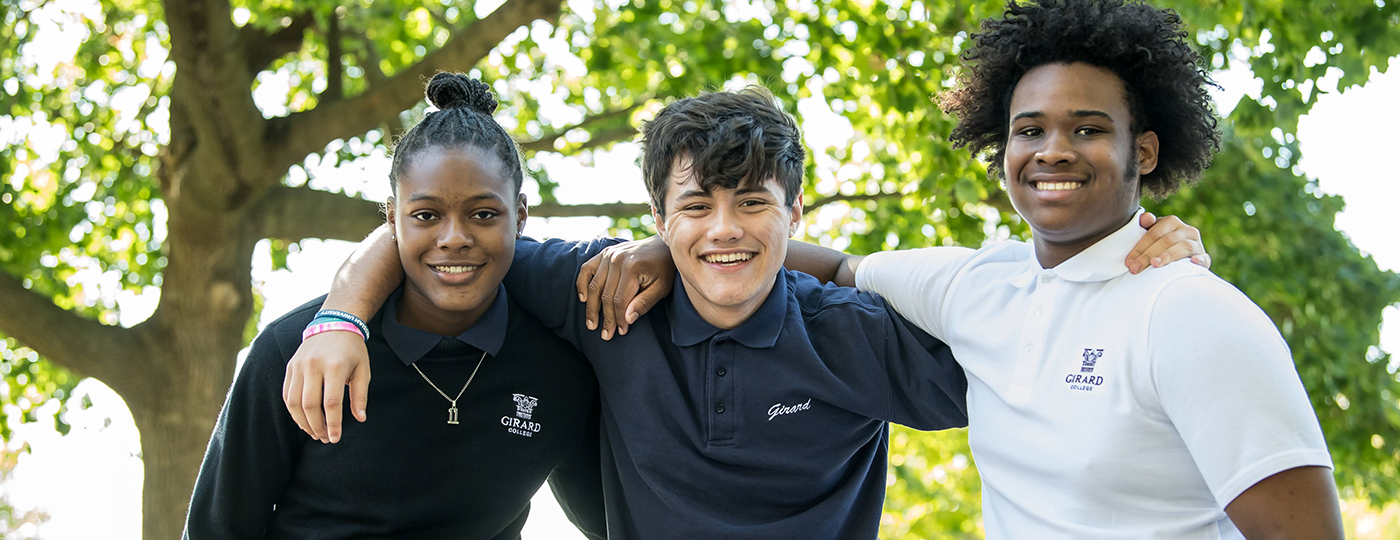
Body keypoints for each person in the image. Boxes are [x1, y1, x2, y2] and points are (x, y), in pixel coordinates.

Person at [282, 86, 1206, 538]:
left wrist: (1144, 269)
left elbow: (1040, 335)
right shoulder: (607, 297)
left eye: (753, 204)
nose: (724, 232)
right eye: (694, 209)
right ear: (654, 218)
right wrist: (339, 319)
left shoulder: (858, 336)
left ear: (795, 212)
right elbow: (442, 241)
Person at [644, 0, 1335, 538]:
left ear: (1145, 152)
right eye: (1030, 130)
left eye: (1088, 129)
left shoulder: (1191, 313)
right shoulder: (973, 286)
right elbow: (831, 262)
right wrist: (666, 248)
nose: (1054, 150)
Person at [182, 73, 605, 540]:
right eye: (426, 215)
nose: (454, 238)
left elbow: (613, 523)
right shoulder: (293, 353)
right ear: (391, 219)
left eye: (483, 214)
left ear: (520, 216)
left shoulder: (560, 372)